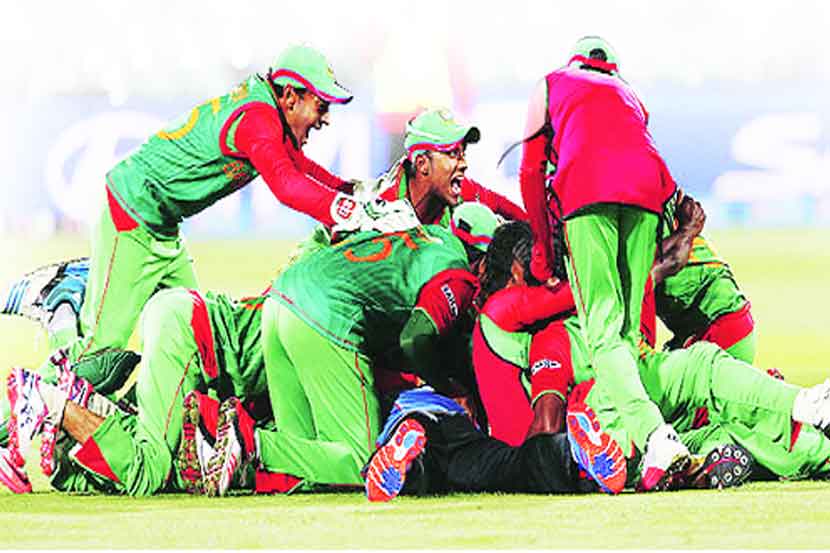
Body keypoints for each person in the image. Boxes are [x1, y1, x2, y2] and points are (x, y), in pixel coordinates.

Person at [518, 36, 684, 489]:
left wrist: (542, 251)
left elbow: (531, 172)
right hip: (646, 193)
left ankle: (654, 436)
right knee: (627, 336)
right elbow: (650, 155)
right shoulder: (630, 93)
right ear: (610, 66)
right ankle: (624, 447)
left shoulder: (551, 84)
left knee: (603, 332)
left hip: (587, 191)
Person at [656, 192, 756, 363]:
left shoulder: (638, 206)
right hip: (720, 320)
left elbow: (669, 262)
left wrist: (687, 230)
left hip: (718, 323)